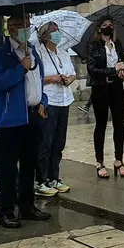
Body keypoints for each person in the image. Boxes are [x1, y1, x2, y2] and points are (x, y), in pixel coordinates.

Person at [0, 14, 51, 229]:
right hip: (12, 118)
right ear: (11, 28)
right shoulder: (1, 54)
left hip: (33, 115)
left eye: (27, 24)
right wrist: (20, 68)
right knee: (8, 166)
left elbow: (39, 81)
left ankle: (27, 205)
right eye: (20, 24)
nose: (25, 28)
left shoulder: (33, 51)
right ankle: (6, 209)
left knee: (29, 163)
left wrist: (43, 100)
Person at [35, 21, 77, 195]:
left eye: (58, 31)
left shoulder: (63, 53)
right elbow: (36, 77)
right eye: (53, 31)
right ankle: (41, 180)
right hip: (49, 100)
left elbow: (73, 73)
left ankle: (54, 177)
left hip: (64, 100)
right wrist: (53, 79)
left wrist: (69, 79)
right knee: (46, 141)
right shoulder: (39, 53)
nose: (57, 34)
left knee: (59, 142)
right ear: (45, 36)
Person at [85, 16, 124, 178]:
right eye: (104, 26)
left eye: (110, 25)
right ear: (99, 29)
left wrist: (123, 71)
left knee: (119, 124)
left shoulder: (117, 44)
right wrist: (112, 70)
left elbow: (123, 63)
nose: (108, 28)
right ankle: (99, 161)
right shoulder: (93, 46)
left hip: (117, 87)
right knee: (101, 124)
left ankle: (119, 160)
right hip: (100, 88)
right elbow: (92, 70)